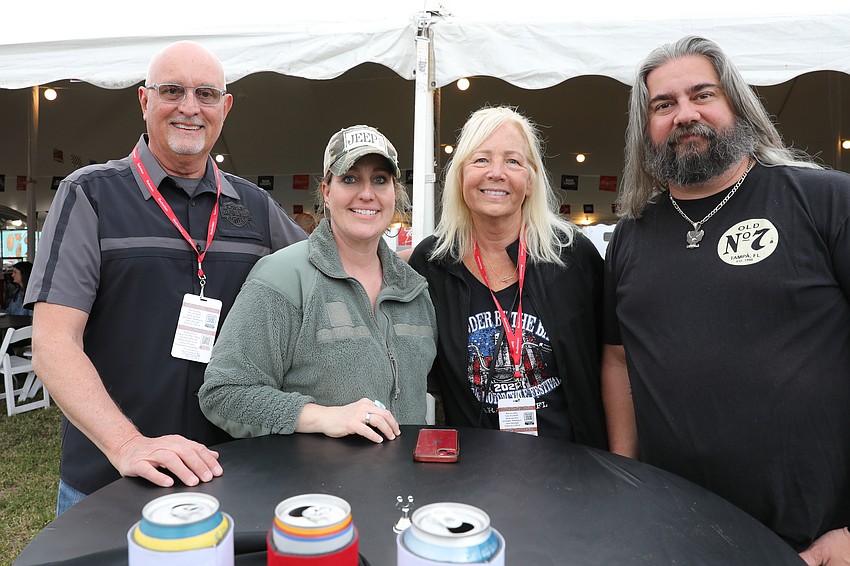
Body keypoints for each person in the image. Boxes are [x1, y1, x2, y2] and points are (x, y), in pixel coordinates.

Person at [25, 40, 306, 515]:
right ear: (144, 100)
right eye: (172, 90)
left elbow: (332, 274)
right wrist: (128, 445)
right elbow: (53, 344)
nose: (190, 108)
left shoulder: (254, 207)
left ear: (226, 107)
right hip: (110, 481)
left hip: (228, 473)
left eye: (207, 94)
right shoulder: (91, 194)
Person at [602, 35, 850, 563]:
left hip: (811, 542)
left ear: (737, 104)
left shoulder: (826, 201)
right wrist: (623, 477)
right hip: (673, 534)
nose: (684, 114)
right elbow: (619, 357)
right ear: (644, 129)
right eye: (663, 105)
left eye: (702, 95)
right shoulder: (631, 236)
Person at [199, 125, 437, 443]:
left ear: (395, 192)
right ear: (326, 191)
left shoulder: (414, 290)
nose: (367, 193)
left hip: (405, 488)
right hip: (312, 489)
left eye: (380, 180)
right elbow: (224, 393)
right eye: (349, 178)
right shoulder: (281, 277)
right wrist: (321, 416)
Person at [408, 106, 607, 447]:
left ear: (530, 181)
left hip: (573, 469)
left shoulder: (573, 256)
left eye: (513, 161)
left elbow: (613, 363)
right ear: (460, 176)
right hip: (474, 470)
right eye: (481, 159)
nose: (496, 173)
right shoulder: (432, 262)